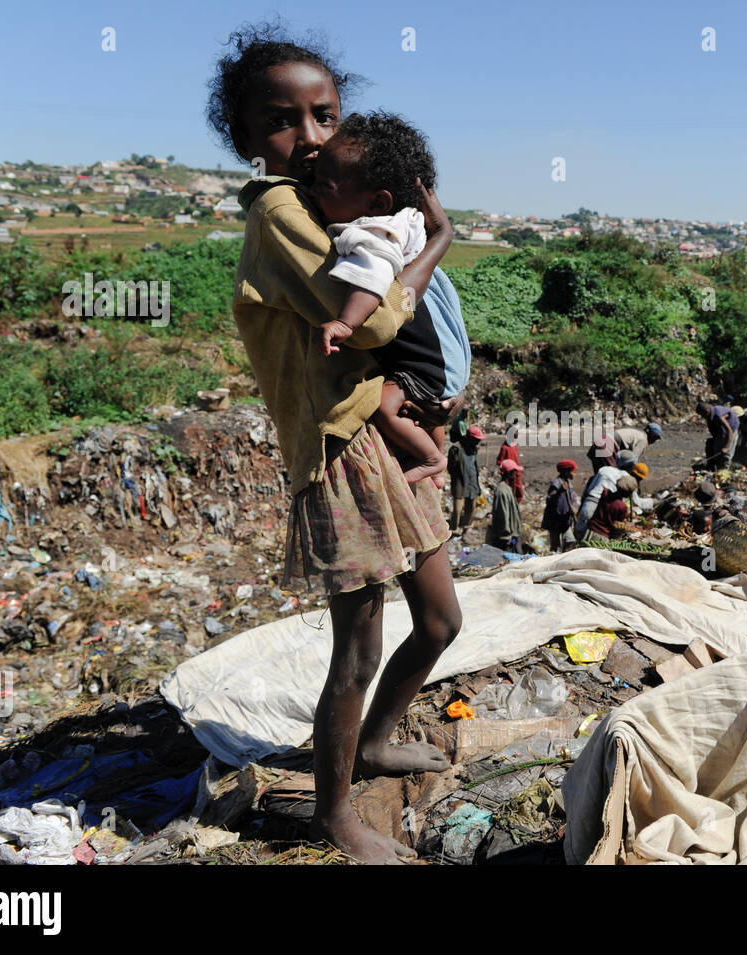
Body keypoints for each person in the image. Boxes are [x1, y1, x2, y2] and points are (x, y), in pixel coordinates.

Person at [213, 23, 459, 863]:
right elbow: (377, 320)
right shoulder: (281, 212)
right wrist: (433, 245)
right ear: (245, 137)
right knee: (356, 649)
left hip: (376, 438)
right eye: (284, 122)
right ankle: (335, 814)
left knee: (440, 618)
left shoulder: (328, 207)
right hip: (338, 452)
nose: (310, 139)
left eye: (326, 116)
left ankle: (381, 738)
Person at [310, 113, 471, 486]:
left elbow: (372, 278)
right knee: (417, 411)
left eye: (325, 185)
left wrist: (346, 323)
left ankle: (431, 460)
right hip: (439, 357)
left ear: (378, 202)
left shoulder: (373, 234)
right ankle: (434, 464)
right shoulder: (404, 223)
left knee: (385, 407)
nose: (314, 192)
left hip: (425, 362)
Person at [448, 425, 483, 531]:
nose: (478, 442)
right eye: (476, 439)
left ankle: (466, 528)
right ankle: (454, 529)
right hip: (460, 484)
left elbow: (474, 467)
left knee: (471, 508)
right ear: (469, 437)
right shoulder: (456, 449)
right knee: (457, 510)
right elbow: (450, 468)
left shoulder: (473, 449)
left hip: (472, 484)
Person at [585, 474, 638, 539]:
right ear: (628, 493)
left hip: (590, 529)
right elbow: (617, 525)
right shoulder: (622, 507)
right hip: (602, 534)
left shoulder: (605, 493)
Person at [542, 459, 579, 552]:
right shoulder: (556, 483)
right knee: (556, 545)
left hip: (564, 520)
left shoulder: (569, 483)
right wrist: (560, 491)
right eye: (573, 472)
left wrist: (574, 508)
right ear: (566, 472)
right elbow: (550, 499)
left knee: (570, 541)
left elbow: (573, 498)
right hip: (555, 521)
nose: (575, 474)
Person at [488, 460, 522, 550]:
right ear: (510, 474)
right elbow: (503, 515)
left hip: (511, 535)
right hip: (505, 539)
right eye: (515, 473)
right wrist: (506, 536)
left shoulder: (507, 488)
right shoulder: (502, 491)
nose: (516, 476)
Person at [695, 399, 737, 470]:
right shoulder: (709, 416)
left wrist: (726, 447)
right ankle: (712, 468)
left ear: (707, 412)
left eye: (702, 415)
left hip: (731, 431)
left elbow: (729, 431)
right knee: (713, 447)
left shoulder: (718, 415)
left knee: (725, 454)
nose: (702, 417)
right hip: (720, 432)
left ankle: (724, 471)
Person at [495, 426, 524, 502]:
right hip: (508, 474)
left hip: (516, 472)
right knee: (509, 491)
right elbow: (500, 462)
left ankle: (516, 504)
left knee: (518, 491)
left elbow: (516, 458)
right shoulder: (504, 448)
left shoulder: (514, 446)